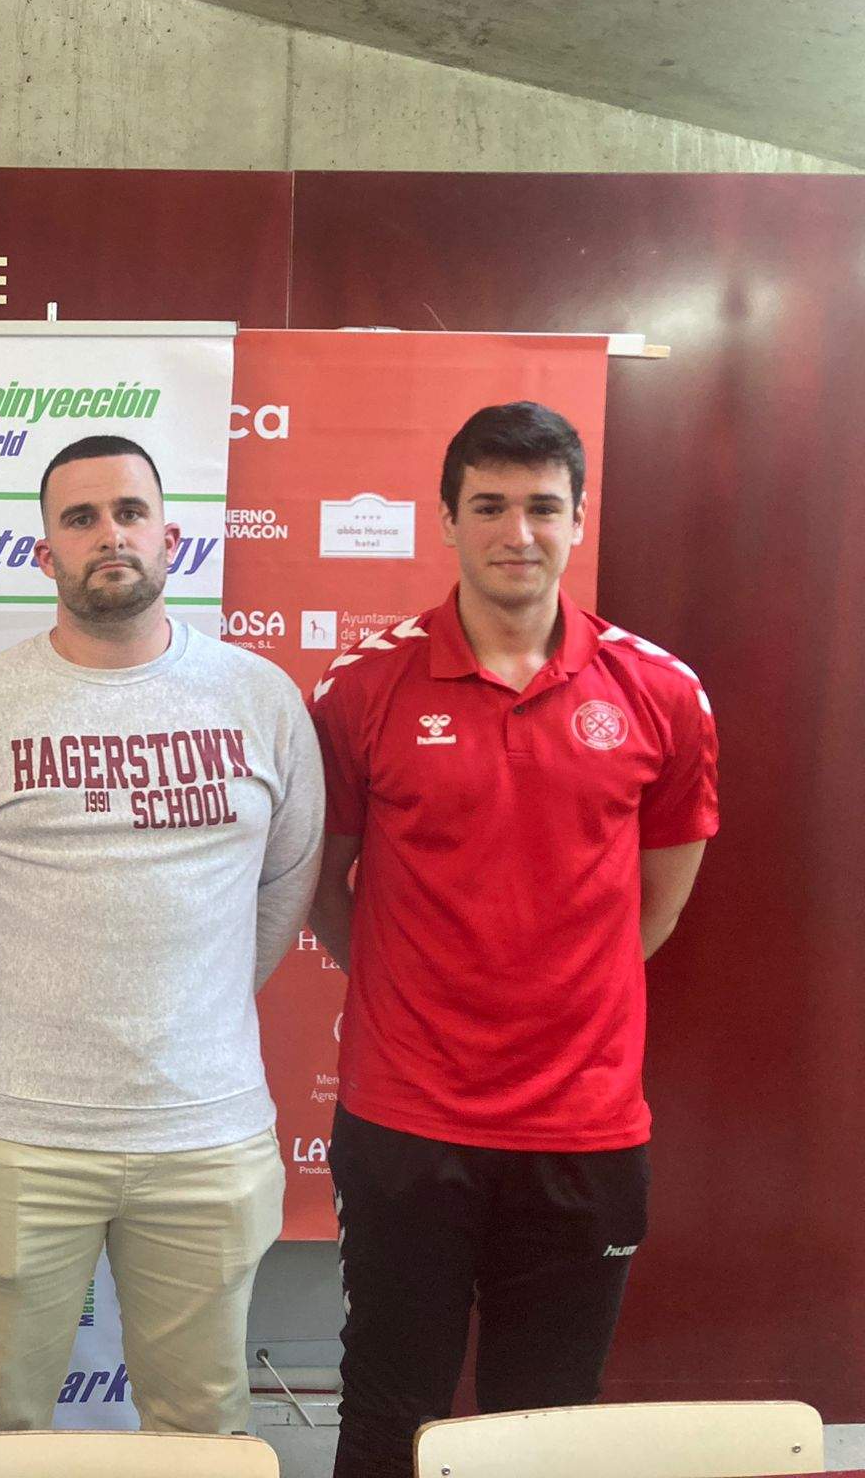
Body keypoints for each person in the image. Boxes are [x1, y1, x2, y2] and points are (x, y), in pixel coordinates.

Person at [306, 402, 718, 1478]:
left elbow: (657, 900)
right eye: (487, 506)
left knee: (545, 1427)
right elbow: (324, 891)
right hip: (405, 1122)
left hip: (581, 1127)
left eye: (541, 507)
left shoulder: (660, 692)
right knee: (387, 1408)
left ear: (577, 519)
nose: (515, 533)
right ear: (445, 519)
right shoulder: (361, 690)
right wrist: (422, 992)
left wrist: (558, 997)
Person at [0, 434, 324, 1436]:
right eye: (79, 519)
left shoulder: (259, 700)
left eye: (128, 513)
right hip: (21, 1136)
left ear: (170, 536)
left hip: (204, 1134)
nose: (108, 536)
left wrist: (190, 1013)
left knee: (203, 1423)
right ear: (42, 552)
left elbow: (283, 884)